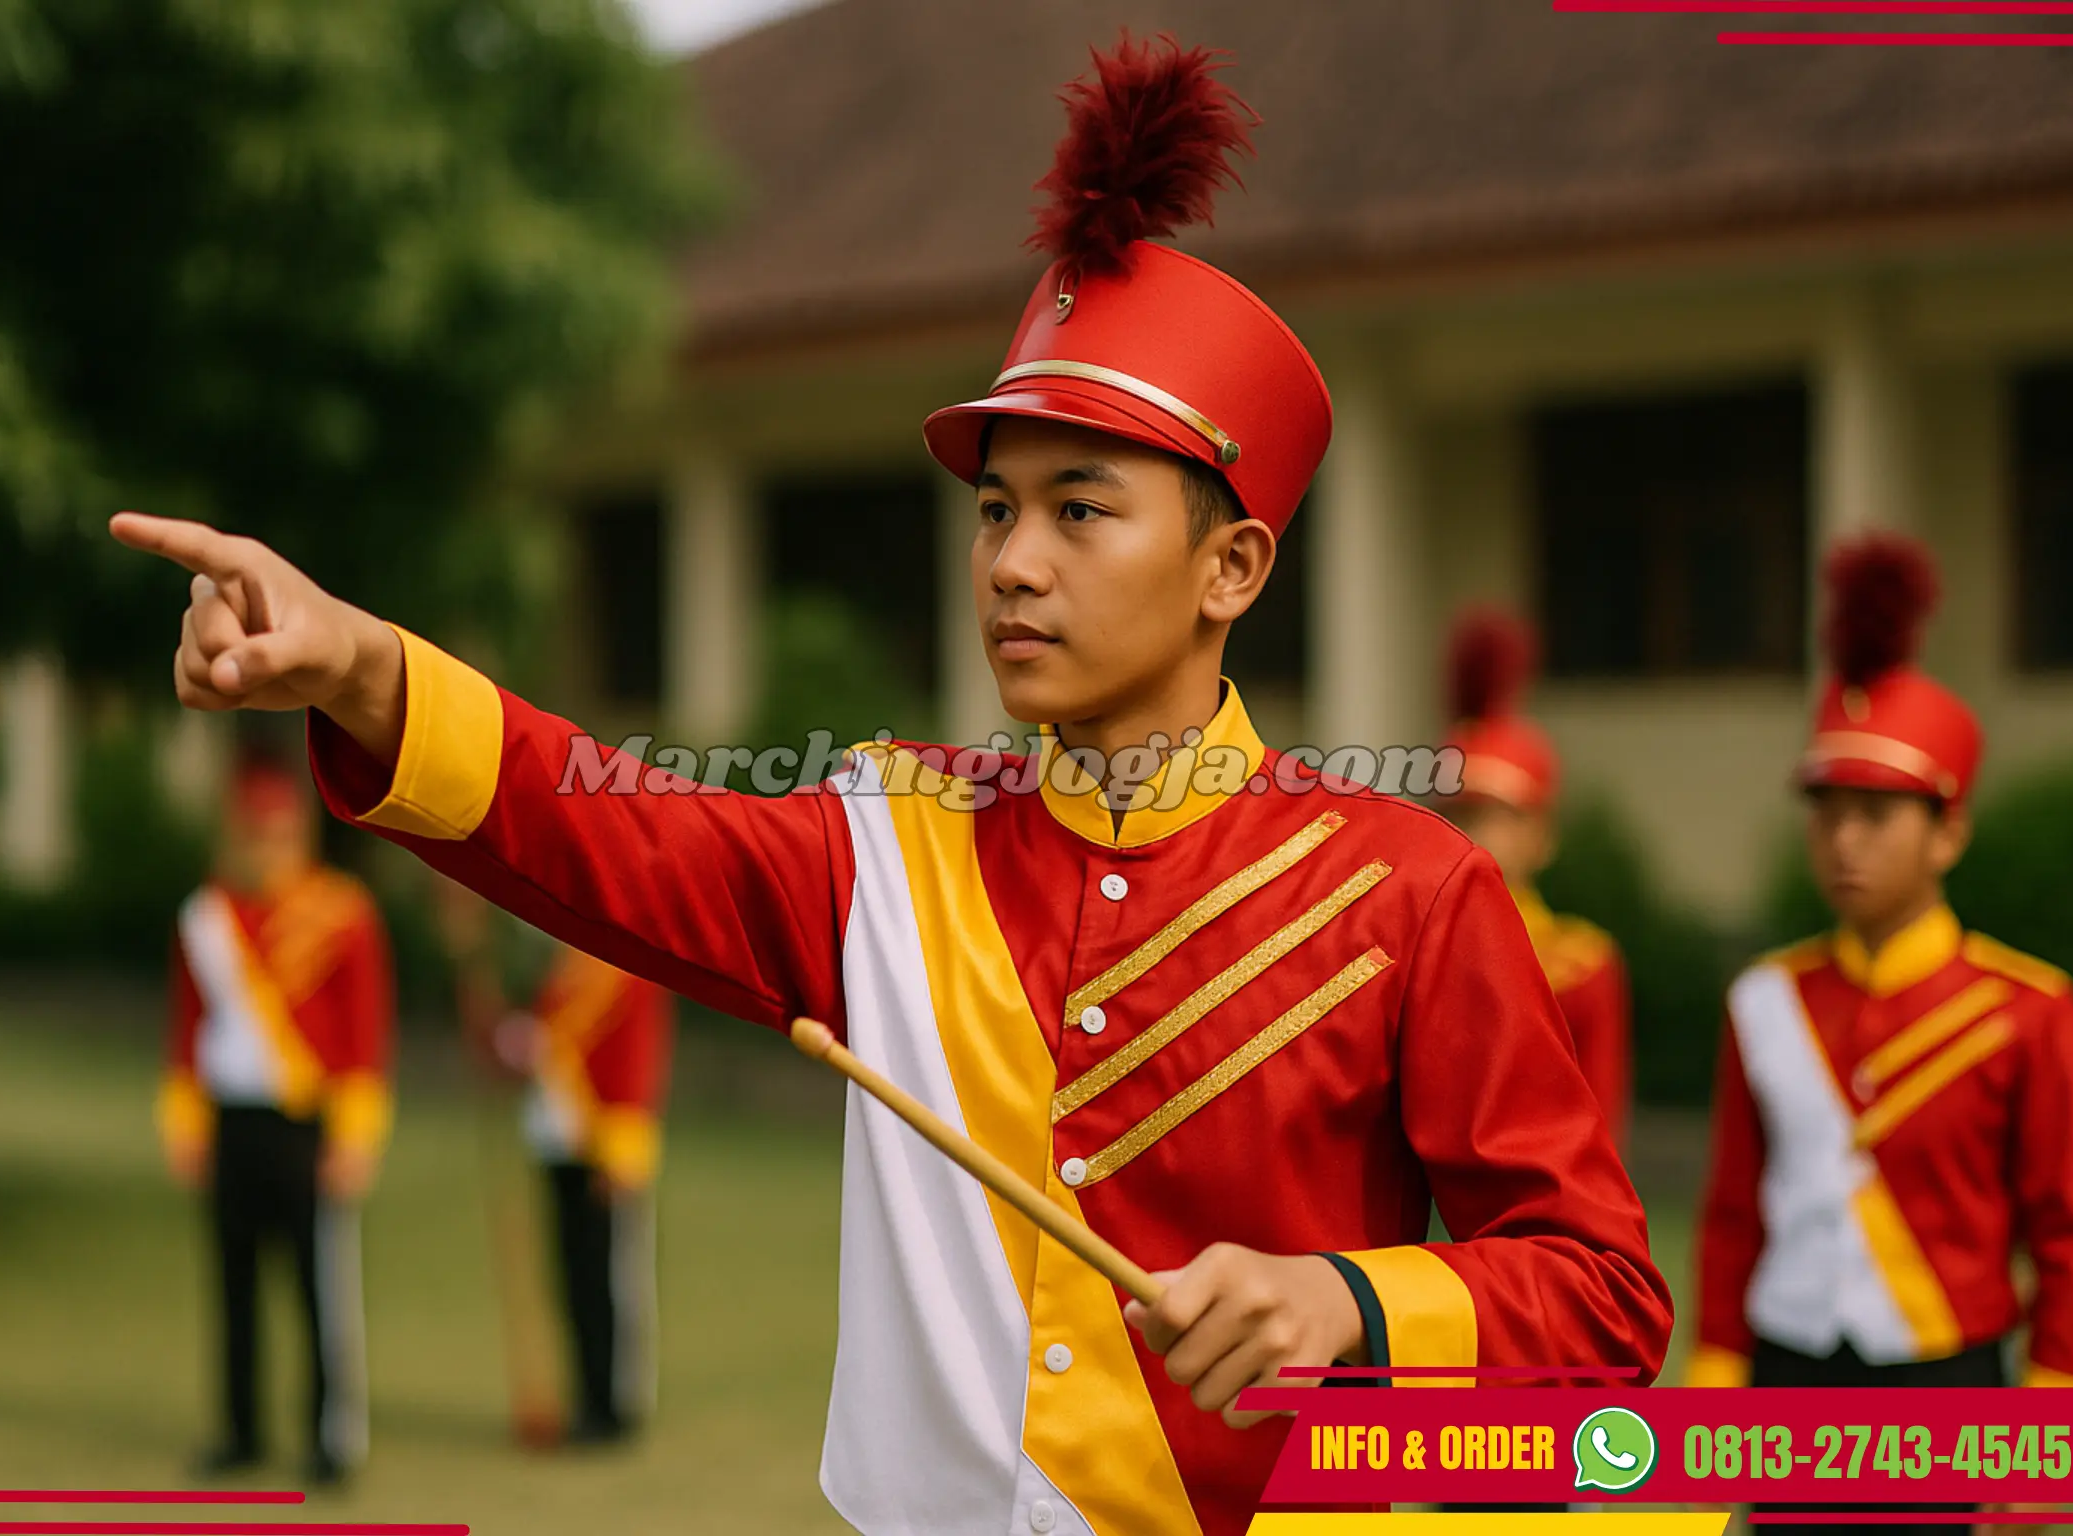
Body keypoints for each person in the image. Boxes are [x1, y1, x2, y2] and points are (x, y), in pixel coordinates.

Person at [114, 35, 1670, 1536]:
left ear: (1233, 566)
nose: (1012, 563)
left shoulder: (1404, 890)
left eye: (1080, 509)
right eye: (995, 510)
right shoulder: (891, 840)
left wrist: (1350, 1303)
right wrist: (366, 670)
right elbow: (606, 825)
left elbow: (1604, 1310)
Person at [1688, 534, 2073, 1536]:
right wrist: (1713, 1380)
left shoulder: (2027, 1007)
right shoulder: (1765, 997)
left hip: (1946, 1376)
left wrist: (2053, 1417)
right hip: (1784, 1374)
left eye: (1878, 813)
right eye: (1827, 810)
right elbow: (1731, 1212)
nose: (1844, 841)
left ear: (1950, 831)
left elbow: (2071, 1236)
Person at [158, 748, 396, 1486]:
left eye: (278, 830)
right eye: (253, 830)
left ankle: (333, 1435)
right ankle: (241, 1428)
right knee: (234, 1285)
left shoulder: (342, 912)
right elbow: (186, 1028)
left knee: (319, 1288)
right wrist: (185, 1123)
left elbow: (364, 1034)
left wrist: (356, 1137)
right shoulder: (207, 917)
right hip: (233, 1121)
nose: (265, 843)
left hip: (306, 1124)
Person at [438, 881, 674, 1448]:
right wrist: (471, 964)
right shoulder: (561, 979)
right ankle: (587, 1398)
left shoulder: (624, 968)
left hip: (603, 1150)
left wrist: (622, 1153)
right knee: (572, 1280)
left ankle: (615, 1405)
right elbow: (517, 1048)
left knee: (610, 1283)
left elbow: (635, 1064)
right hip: (557, 1144)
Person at [1440, 607, 1633, 1156]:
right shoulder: (1401, 953)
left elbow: (1600, 1134)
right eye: (1459, 814)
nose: (1473, 835)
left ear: (1542, 835)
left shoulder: (1581, 966)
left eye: (1495, 815)